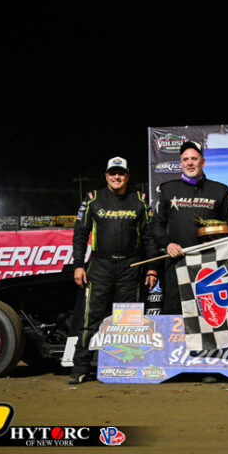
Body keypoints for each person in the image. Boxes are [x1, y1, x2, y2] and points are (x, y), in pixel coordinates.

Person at [69, 157, 158, 384]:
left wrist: (152, 269)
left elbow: (149, 239)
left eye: (121, 173)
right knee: (92, 317)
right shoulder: (92, 199)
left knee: (129, 320)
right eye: (112, 173)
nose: (116, 177)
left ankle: (128, 366)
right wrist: (78, 264)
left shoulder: (140, 200)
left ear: (127, 176)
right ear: (106, 175)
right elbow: (80, 234)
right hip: (100, 266)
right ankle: (80, 366)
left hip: (131, 267)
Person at [151, 140, 228, 315]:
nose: (190, 163)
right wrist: (167, 244)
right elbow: (156, 225)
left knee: (207, 315)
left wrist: (218, 238)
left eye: (194, 158)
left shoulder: (219, 190)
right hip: (176, 263)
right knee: (174, 313)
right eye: (185, 159)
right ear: (180, 163)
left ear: (203, 162)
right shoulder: (168, 190)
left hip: (209, 265)